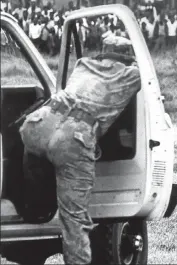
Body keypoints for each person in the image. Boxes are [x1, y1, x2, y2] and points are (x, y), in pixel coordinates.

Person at [19, 47, 141, 264]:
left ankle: (34, 207)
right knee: (74, 221)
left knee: (37, 161)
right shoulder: (130, 74)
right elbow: (148, 82)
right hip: (73, 138)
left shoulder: (83, 65)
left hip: (39, 123)